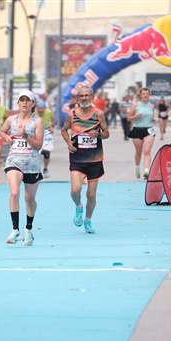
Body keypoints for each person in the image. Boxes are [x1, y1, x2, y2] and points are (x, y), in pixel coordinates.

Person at [61, 85, 110, 234]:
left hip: (95, 159)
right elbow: (63, 129)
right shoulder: (72, 114)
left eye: (87, 95)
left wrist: (98, 134)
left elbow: (106, 133)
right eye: (81, 96)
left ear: (92, 97)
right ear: (77, 98)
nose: (84, 98)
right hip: (77, 158)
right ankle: (78, 206)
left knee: (91, 195)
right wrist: (68, 142)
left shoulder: (98, 114)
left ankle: (88, 220)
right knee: (75, 190)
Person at [0, 90, 44, 246]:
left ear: (33, 103)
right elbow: (1, 131)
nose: (24, 102)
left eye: (28, 100)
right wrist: (6, 137)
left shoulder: (37, 121)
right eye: (22, 100)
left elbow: (38, 145)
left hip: (32, 165)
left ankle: (28, 230)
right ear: (18, 103)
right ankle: (15, 230)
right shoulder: (11, 119)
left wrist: (25, 135)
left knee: (29, 199)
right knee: (14, 192)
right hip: (14, 162)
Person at [128, 87, 157, 179]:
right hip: (137, 130)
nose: (145, 95)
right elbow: (129, 118)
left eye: (147, 94)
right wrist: (135, 116)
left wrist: (154, 119)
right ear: (140, 95)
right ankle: (137, 167)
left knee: (147, 151)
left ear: (149, 95)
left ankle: (146, 171)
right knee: (138, 152)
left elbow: (151, 116)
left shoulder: (151, 106)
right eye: (143, 94)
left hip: (149, 129)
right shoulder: (136, 105)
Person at [36, 100, 55, 178]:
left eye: (42, 108)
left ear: (44, 108)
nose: (40, 110)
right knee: (36, 153)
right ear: (37, 108)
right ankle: (37, 170)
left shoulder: (48, 112)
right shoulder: (33, 113)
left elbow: (53, 119)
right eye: (39, 108)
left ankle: (45, 169)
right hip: (37, 132)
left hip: (46, 132)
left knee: (47, 152)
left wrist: (52, 126)